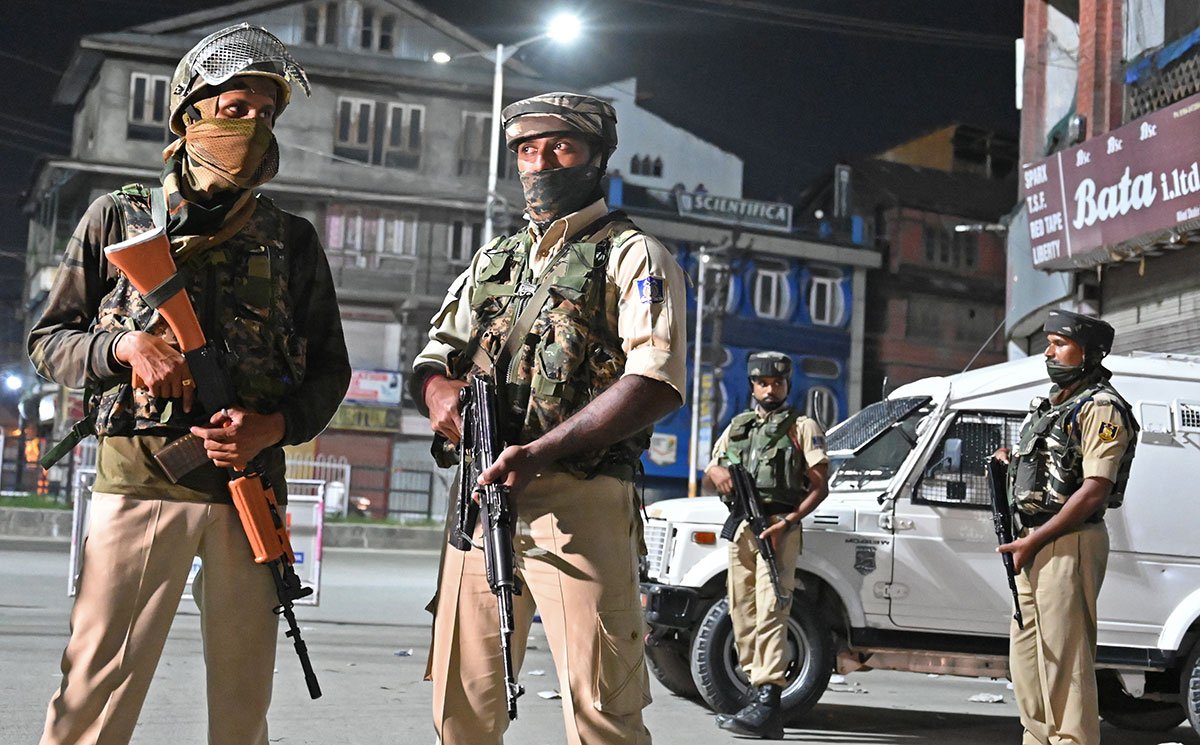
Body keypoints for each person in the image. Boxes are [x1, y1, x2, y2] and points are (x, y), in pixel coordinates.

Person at [28, 24, 350, 745]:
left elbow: (332, 369)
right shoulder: (118, 218)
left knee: (243, 705)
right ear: (190, 114)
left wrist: (275, 427)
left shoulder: (291, 239)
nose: (253, 125)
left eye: (266, 114)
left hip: (249, 491)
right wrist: (123, 347)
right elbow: (49, 343)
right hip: (143, 481)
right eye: (237, 108)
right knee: (97, 690)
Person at [410, 91, 687, 745]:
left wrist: (539, 452)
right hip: (481, 501)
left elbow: (654, 381)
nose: (541, 163)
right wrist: (441, 399)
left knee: (600, 712)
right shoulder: (492, 261)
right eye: (527, 150)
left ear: (596, 156)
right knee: (461, 707)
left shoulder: (634, 255)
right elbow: (431, 360)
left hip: (579, 503)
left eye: (561, 146)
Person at [995, 309, 1137, 745]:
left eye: (1060, 343)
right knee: (1029, 664)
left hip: (1067, 542)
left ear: (1090, 353)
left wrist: (1036, 538)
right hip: (1034, 543)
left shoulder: (1102, 407)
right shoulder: (1051, 405)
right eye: (1048, 342)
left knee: (1065, 665)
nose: (1049, 352)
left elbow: (1095, 489)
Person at [702, 351, 829, 739]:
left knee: (773, 608)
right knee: (741, 608)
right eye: (763, 383)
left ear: (787, 385)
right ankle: (754, 695)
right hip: (741, 526)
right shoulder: (739, 425)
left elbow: (821, 484)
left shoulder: (801, 426)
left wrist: (788, 522)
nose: (770, 389)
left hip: (778, 526)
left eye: (777, 383)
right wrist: (717, 471)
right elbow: (712, 466)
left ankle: (769, 701)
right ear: (753, 385)